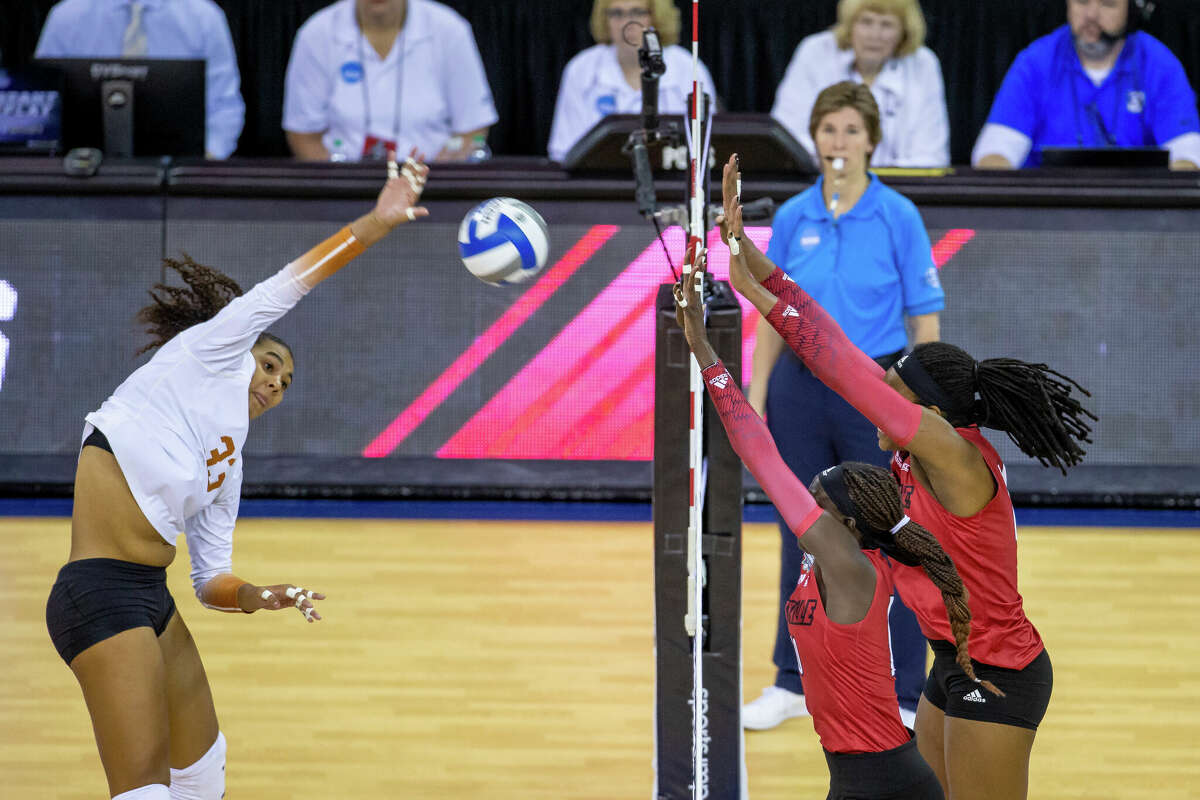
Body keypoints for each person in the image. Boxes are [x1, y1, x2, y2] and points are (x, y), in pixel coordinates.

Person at [44, 153, 430, 800]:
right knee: (143, 791)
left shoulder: (229, 458)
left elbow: (209, 579)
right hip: (98, 593)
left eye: (286, 381)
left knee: (203, 776)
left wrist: (256, 594)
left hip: (153, 598)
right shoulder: (207, 353)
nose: (276, 382)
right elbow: (295, 282)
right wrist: (377, 223)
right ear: (241, 349)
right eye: (270, 364)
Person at [721, 151, 1094, 799]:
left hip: (999, 671)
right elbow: (838, 342)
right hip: (950, 662)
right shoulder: (916, 448)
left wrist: (757, 293)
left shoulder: (953, 454)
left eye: (893, 392)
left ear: (930, 415)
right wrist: (755, 267)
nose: (877, 397)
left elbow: (840, 369)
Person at [674, 248, 1001, 800]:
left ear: (845, 525)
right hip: (858, 774)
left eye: (818, 498)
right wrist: (755, 286)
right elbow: (832, 345)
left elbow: (762, 455)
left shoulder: (851, 570)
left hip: (884, 780)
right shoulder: (837, 556)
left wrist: (705, 352)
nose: (806, 499)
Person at [742, 80, 940, 732]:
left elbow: (924, 318)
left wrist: (921, 405)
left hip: (873, 389)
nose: (840, 142)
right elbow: (772, 311)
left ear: (872, 141)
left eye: (852, 131)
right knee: (802, 532)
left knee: (892, 533)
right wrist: (758, 391)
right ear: (814, 138)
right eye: (829, 129)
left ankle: (905, 691)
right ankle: (792, 680)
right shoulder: (794, 216)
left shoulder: (898, 215)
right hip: (798, 392)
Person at [972, 0, 1200, 170]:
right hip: (1048, 210)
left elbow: (1189, 156)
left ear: (1133, 10)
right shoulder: (1036, 62)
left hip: (1138, 214)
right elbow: (993, 152)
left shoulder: (1159, 65)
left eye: (1107, 4)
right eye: (1081, 1)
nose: (1091, 14)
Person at [283, 0, 498, 163]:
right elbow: (303, 135)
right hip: (345, 187)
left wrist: (432, 180)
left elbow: (472, 128)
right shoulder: (316, 33)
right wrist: (336, 184)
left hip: (429, 185)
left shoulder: (450, 30)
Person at [34, 0, 245, 159]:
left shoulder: (205, 17)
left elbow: (225, 109)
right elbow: (42, 109)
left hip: (178, 180)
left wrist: (199, 170)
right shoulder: (66, 17)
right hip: (81, 178)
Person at [771, 0, 949, 168]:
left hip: (896, 186)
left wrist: (873, 181)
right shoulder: (815, 51)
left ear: (903, 32)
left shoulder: (923, 64)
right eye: (866, 22)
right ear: (850, 25)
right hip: (823, 178)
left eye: (886, 25)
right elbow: (787, 138)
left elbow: (931, 156)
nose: (875, 35)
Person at [547, 0, 716, 163]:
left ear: (657, 17)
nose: (627, 23)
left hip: (672, 178)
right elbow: (563, 151)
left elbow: (709, 147)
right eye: (617, 13)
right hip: (600, 179)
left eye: (638, 12)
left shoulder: (689, 69)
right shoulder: (581, 69)